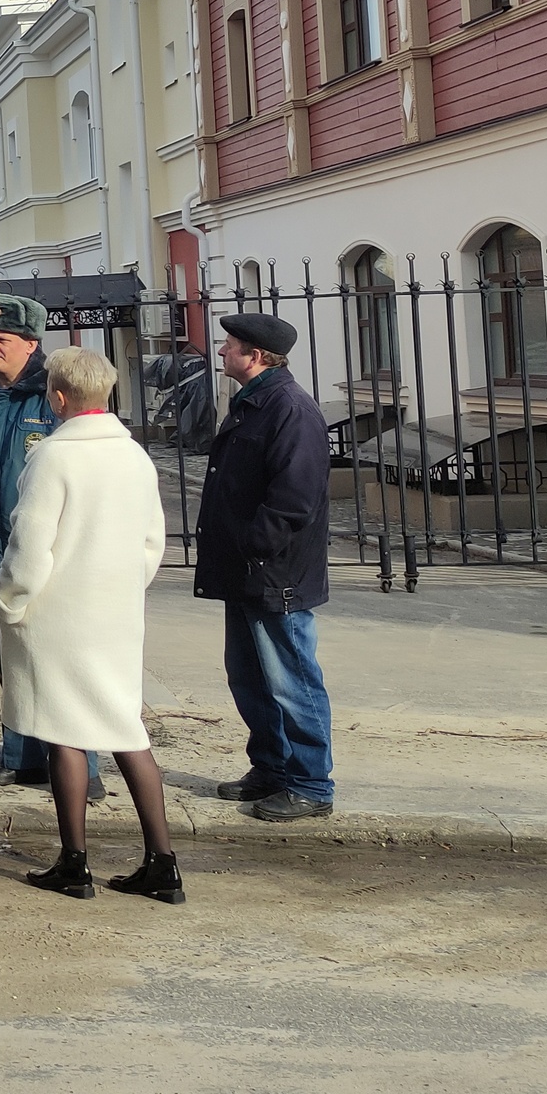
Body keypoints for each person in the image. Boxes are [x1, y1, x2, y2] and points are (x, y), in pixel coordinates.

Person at [0, 346, 184, 903]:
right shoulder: (135, 457)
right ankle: (162, 863)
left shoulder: (52, 457)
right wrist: (121, 586)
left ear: (57, 397)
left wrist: (10, 601)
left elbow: (29, 546)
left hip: (57, 613)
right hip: (115, 611)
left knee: (64, 732)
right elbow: (153, 543)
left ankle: (74, 864)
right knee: (125, 728)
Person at [0, 293, 102, 799]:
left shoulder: (53, 394)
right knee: (10, 658)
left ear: (31, 344)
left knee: (61, 660)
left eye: (2, 339)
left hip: (49, 547)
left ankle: (87, 769)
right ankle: (23, 757)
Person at [193, 312, 335, 822]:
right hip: (245, 571)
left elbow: (294, 500)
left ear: (254, 356)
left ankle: (311, 784)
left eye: (229, 347)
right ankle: (272, 767)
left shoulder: (289, 408)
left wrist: (255, 548)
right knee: (249, 677)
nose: (222, 353)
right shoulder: (255, 402)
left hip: (277, 576)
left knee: (292, 679)